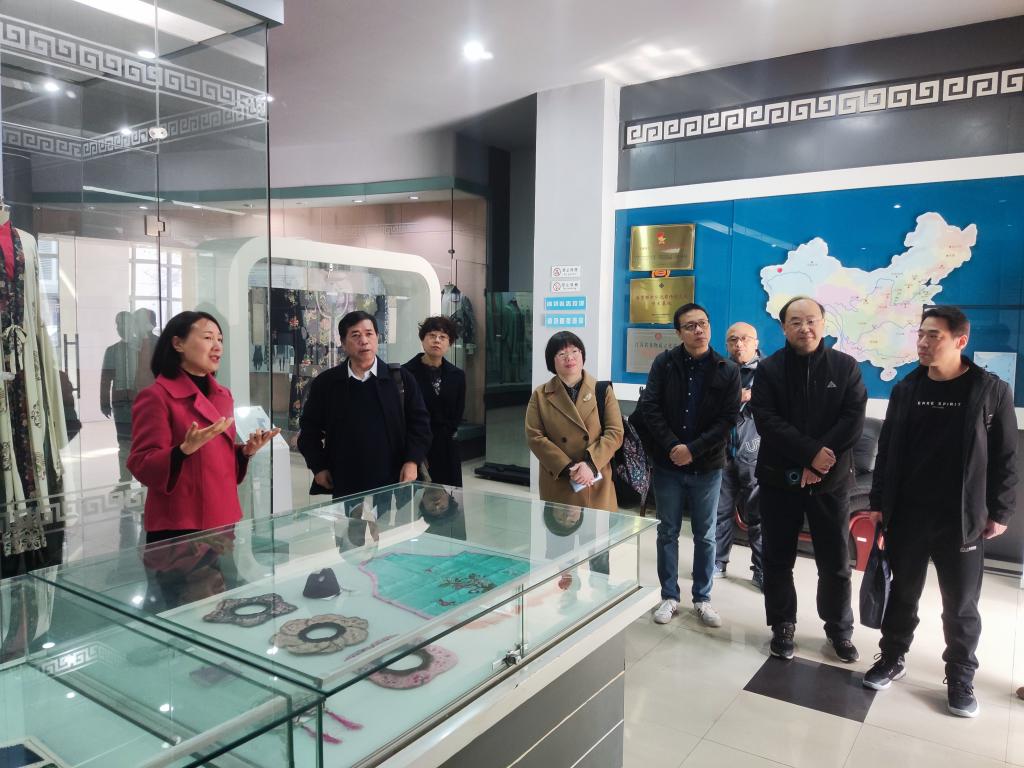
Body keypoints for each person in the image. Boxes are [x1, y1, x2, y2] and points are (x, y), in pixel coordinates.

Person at [862, 306, 1016, 718]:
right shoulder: (907, 388)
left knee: (961, 604)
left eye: (934, 336)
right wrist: (878, 503)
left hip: (961, 518)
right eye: (921, 334)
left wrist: (1001, 511)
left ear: (960, 341)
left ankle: (961, 675)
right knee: (902, 594)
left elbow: (1006, 458)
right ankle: (892, 656)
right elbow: (887, 450)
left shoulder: (990, 391)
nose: (923, 343)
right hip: (908, 515)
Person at [750, 296, 866, 663]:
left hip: (830, 481)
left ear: (824, 323)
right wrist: (808, 454)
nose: (805, 328)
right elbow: (766, 420)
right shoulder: (769, 369)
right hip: (778, 480)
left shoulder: (845, 367)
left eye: (812, 320)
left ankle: (839, 629)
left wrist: (818, 462)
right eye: (796, 322)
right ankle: (782, 624)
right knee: (777, 558)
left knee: (835, 562)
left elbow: (852, 419)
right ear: (783, 327)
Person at [127, 311, 279, 544]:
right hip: (180, 524)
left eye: (220, 339)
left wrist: (245, 452)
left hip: (223, 517)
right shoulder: (156, 397)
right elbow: (141, 463)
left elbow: (215, 458)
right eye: (208, 338)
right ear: (178, 344)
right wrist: (182, 450)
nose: (217, 346)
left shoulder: (223, 395)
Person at [636, 303, 740, 628]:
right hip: (668, 465)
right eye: (691, 326)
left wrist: (692, 450)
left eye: (703, 324)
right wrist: (672, 447)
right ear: (679, 332)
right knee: (667, 531)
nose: (699, 330)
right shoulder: (664, 364)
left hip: (707, 466)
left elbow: (728, 419)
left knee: (705, 535)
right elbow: (650, 407)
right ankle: (669, 596)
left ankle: (702, 598)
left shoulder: (727, 369)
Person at [297, 310, 431, 499]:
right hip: (344, 478)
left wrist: (412, 461)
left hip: (393, 478)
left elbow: (420, 425)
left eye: (369, 334)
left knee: (389, 519)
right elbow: (309, 430)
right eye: (355, 335)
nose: (364, 341)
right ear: (343, 342)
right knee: (348, 518)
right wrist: (318, 466)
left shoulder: (400, 379)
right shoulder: (327, 383)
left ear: (377, 337)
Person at [525, 331, 624, 513]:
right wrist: (569, 468)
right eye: (561, 354)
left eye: (574, 351)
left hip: (595, 477)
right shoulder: (540, 395)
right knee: (561, 529)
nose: (569, 357)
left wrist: (589, 465)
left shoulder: (602, 390)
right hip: (560, 478)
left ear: (582, 355)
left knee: (596, 529)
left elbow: (615, 432)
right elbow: (534, 437)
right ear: (552, 361)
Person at [714, 322, 764, 590]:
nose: (739, 344)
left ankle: (761, 569)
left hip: (756, 453)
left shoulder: (770, 371)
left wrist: (751, 397)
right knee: (719, 512)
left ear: (756, 342)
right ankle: (717, 562)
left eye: (744, 339)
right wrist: (738, 396)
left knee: (759, 515)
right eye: (733, 340)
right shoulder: (719, 370)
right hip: (721, 452)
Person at [403, 316, 466, 485]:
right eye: (432, 335)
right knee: (417, 496)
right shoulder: (405, 373)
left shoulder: (458, 375)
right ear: (422, 339)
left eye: (443, 337)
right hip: (416, 447)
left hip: (446, 447)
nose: (437, 340)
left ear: (449, 343)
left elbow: (458, 413)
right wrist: (416, 450)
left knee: (450, 496)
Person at [100, 311, 137, 485]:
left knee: (144, 441)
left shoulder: (141, 350)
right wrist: (104, 402)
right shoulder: (111, 351)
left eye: (124, 323)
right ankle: (125, 481)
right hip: (120, 405)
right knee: (124, 443)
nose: (120, 328)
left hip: (141, 403)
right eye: (118, 324)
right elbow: (105, 379)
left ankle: (145, 483)